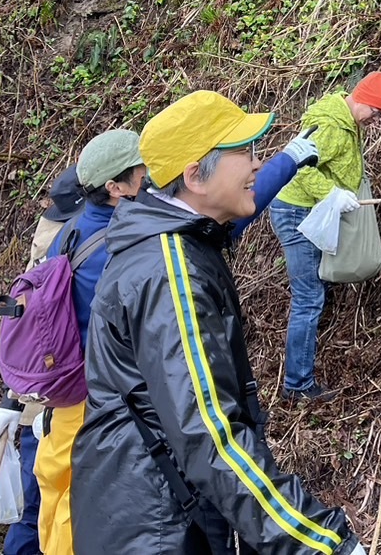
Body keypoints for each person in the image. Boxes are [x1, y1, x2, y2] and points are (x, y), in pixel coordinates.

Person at [69, 92, 364, 555]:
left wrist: (289, 159)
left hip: (155, 510)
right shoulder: (170, 272)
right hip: (160, 527)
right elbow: (210, 437)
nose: (254, 165)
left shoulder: (172, 242)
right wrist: (323, 543)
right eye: (244, 153)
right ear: (193, 176)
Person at [31, 130, 147, 555]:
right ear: (115, 187)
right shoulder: (119, 243)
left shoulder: (73, 230)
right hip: (96, 393)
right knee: (85, 494)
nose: (150, 175)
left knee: (57, 480)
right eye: (142, 170)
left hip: (65, 387)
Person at [270, 71, 381, 402]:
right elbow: (297, 165)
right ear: (363, 100)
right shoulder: (330, 127)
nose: (376, 120)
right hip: (295, 211)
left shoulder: (347, 121)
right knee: (308, 297)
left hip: (309, 211)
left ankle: (300, 371)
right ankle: (297, 386)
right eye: (376, 112)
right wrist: (331, 194)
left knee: (314, 290)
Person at [3, 161, 85, 555]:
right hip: (59, 401)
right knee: (47, 503)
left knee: (38, 503)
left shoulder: (46, 239)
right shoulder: (73, 248)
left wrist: (9, 400)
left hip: (34, 398)